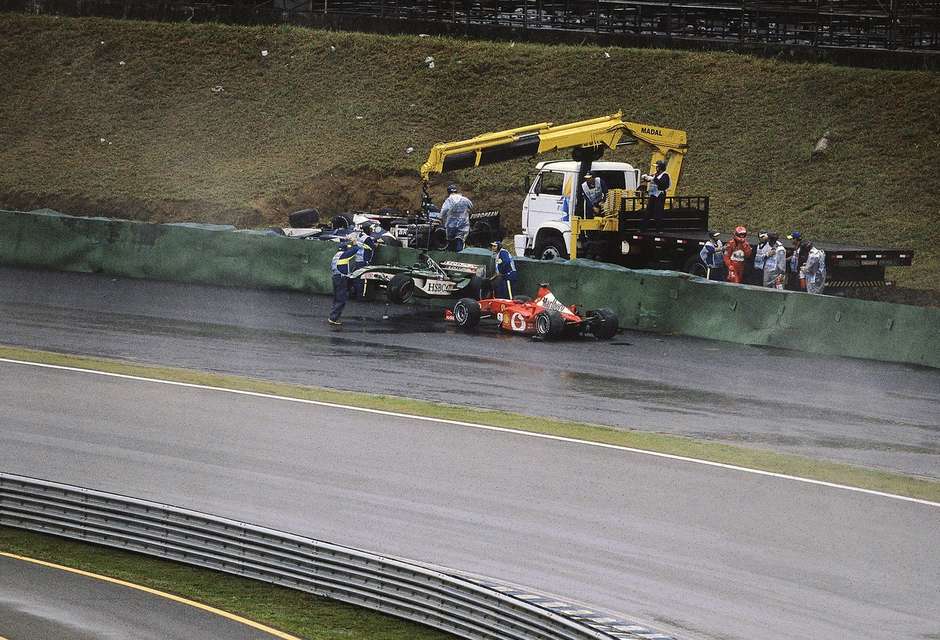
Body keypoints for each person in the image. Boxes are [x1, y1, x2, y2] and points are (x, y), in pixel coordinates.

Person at [328, 235, 360, 326]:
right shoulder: (344, 255)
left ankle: (333, 316)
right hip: (341, 278)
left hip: (335, 277)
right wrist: (354, 242)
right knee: (341, 299)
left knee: (337, 298)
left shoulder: (335, 256)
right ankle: (333, 318)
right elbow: (355, 249)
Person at [440, 183, 473, 252]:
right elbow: (471, 206)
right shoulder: (465, 199)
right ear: (456, 191)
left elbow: (444, 210)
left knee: (450, 240)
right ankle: (459, 255)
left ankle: (450, 256)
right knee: (460, 239)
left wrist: (441, 218)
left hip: (451, 224)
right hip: (463, 223)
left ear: (448, 192)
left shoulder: (449, 200)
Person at [641, 159, 670, 230]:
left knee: (658, 212)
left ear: (660, 168)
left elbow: (662, 184)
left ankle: (659, 229)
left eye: (657, 167)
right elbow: (650, 179)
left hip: (660, 195)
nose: (656, 168)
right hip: (653, 194)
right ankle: (643, 228)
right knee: (648, 211)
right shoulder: (655, 174)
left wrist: (654, 179)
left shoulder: (665, 175)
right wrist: (645, 177)